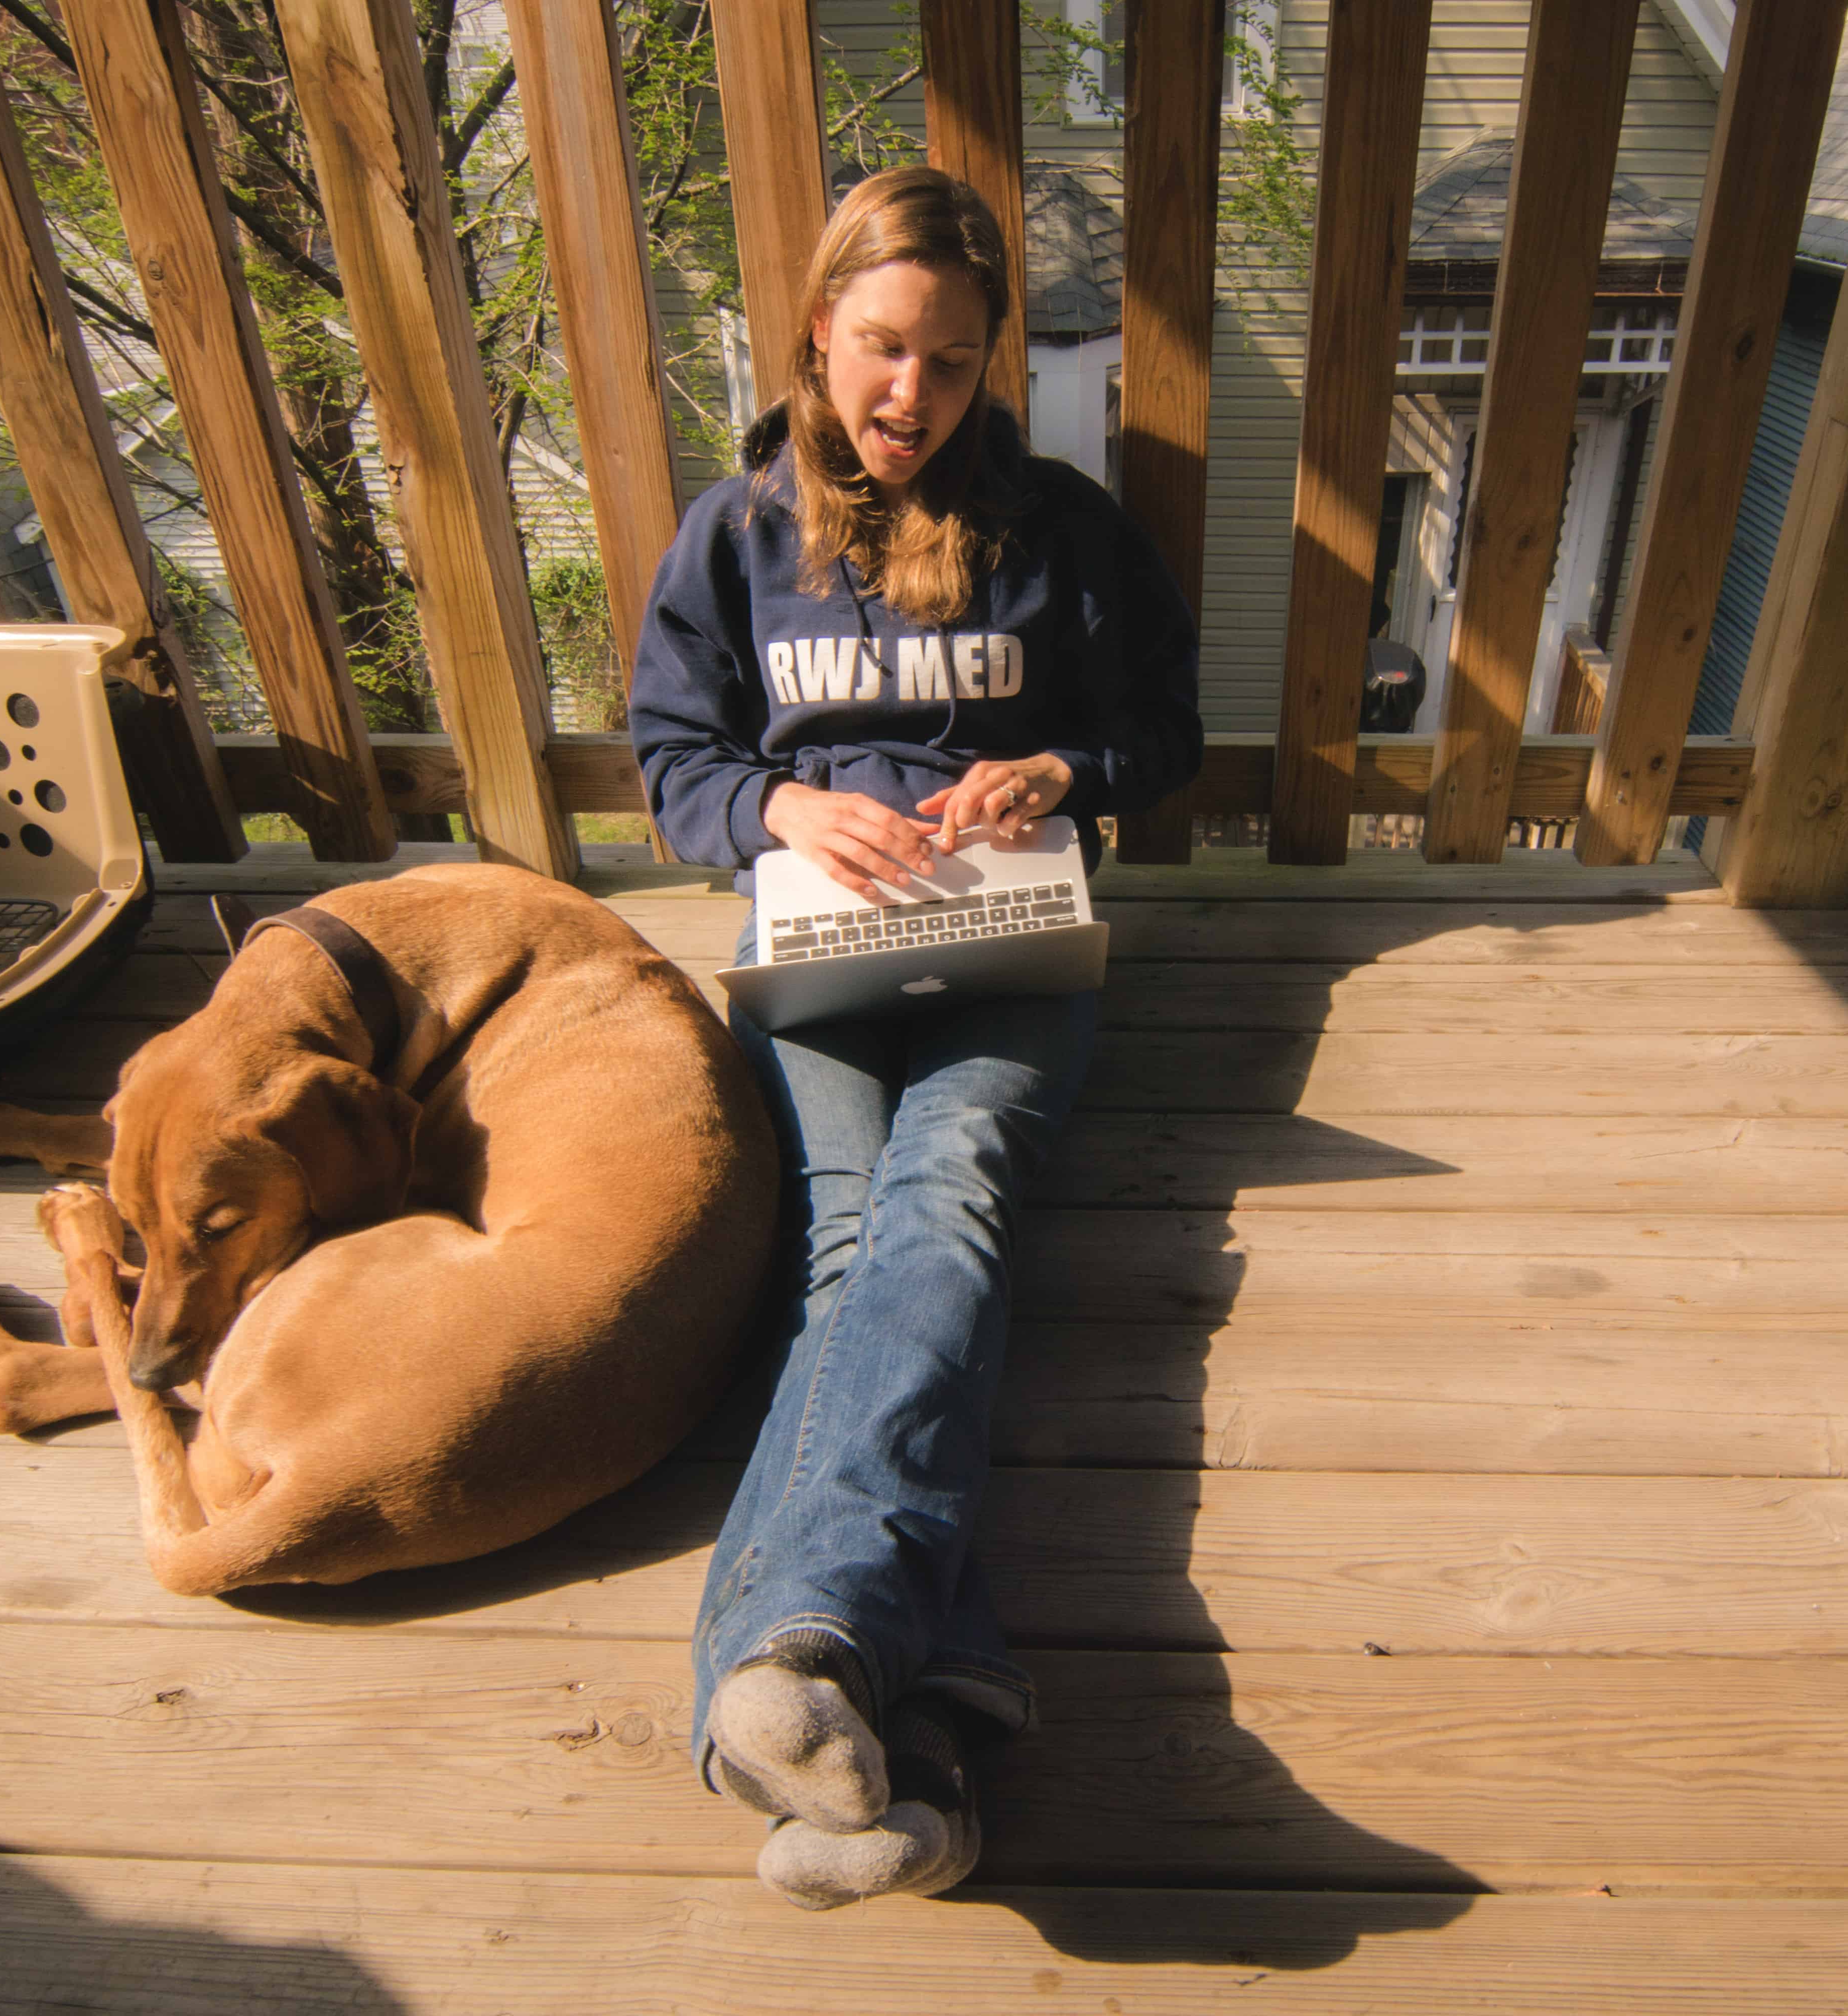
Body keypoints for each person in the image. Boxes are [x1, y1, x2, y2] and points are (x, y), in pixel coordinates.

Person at [628, 164, 1202, 1911]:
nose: (908, 397)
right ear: (819, 328)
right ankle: (923, 1727)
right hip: (817, 946)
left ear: (986, 366)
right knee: (853, 1235)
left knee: (942, 1195)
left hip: (1014, 937)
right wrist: (786, 811)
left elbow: (1160, 736)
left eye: (949, 365)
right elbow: (672, 764)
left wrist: (1060, 774)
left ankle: (800, 1663)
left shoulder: (1063, 531)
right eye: (881, 350)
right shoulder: (737, 534)